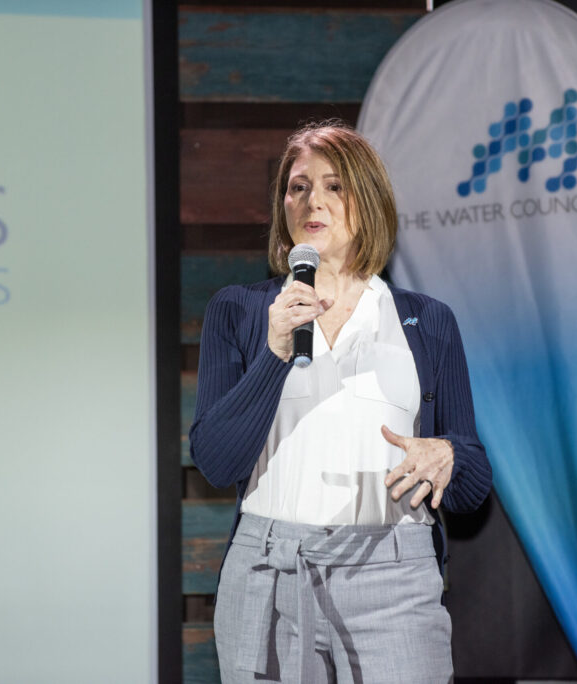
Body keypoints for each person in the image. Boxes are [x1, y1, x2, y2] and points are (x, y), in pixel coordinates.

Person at [189, 121, 492, 683]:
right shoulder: (240, 310)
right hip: (269, 571)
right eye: (297, 186)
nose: (312, 201)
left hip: (393, 574)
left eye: (334, 186)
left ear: (368, 201)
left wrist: (448, 455)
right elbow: (216, 460)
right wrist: (275, 353)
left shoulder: (427, 321)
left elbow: (474, 484)